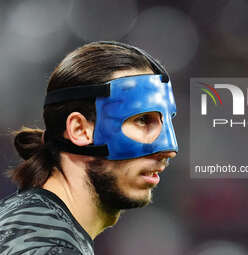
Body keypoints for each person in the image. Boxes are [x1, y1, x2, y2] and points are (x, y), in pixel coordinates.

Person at [0, 41, 178, 254]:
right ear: (80, 130)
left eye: (166, 121)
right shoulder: (49, 247)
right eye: (141, 119)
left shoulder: (26, 223)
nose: (169, 149)